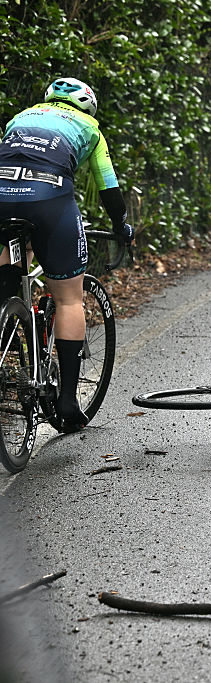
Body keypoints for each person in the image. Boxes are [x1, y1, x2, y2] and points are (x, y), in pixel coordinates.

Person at [0, 77, 133, 432]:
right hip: (49, 198)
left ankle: (8, 319)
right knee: (69, 298)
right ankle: (69, 400)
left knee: (8, 264)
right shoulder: (89, 127)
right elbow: (108, 186)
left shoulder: (20, 117)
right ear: (88, 104)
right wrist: (121, 226)